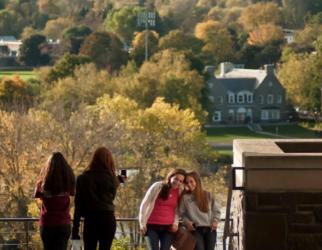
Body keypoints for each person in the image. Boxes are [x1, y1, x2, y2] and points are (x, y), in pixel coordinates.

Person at [72, 146, 124, 250]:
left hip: (91, 220)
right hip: (108, 219)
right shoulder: (112, 178)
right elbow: (111, 197)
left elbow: (78, 205)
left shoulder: (83, 178)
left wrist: (75, 231)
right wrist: (119, 180)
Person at [34, 152, 76, 250]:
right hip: (63, 222)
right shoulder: (68, 179)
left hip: (47, 223)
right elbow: (73, 193)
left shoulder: (44, 180)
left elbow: (36, 194)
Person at [139, 169, 186, 250]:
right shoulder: (157, 186)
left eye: (181, 181)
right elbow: (144, 204)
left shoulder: (179, 192)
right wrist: (142, 223)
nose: (178, 182)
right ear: (170, 177)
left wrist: (175, 224)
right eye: (176, 179)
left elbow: (177, 210)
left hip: (168, 228)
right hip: (151, 226)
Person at [179, 171, 221, 250]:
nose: (189, 184)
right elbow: (181, 214)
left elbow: (216, 211)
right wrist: (187, 222)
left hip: (210, 229)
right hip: (195, 230)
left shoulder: (208, 195)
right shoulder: (185, 198)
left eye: (191, 181)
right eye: (187, 182)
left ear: (197, 181)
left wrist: (215, 221)